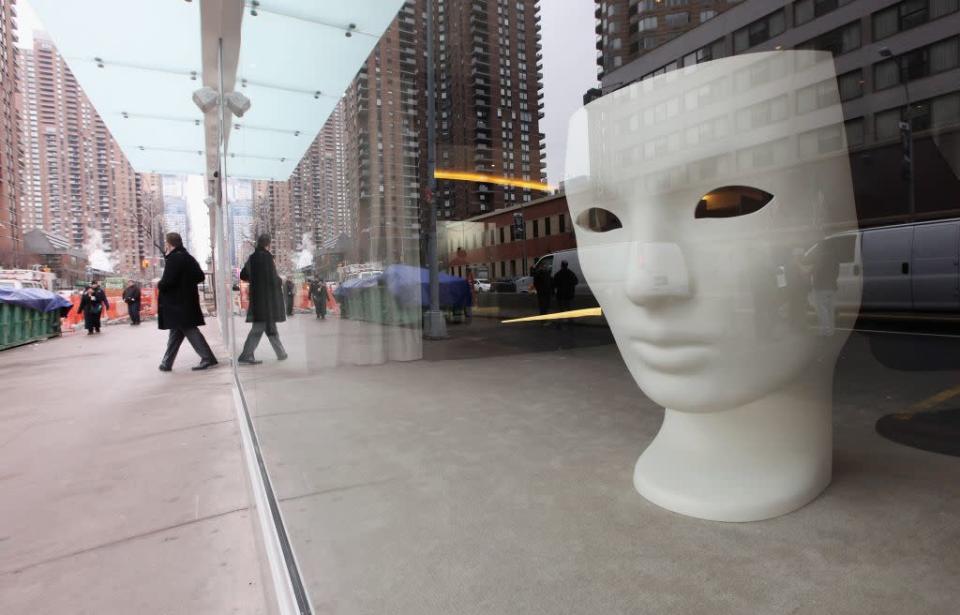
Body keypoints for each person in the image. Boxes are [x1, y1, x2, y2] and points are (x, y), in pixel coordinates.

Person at [157, 232, 218, 371]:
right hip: (187, 301)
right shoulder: (188, 258)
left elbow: (167, 281)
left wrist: (160, 285)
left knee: (188, 329)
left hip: (177, 304)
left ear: (169, 243)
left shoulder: (173, 259)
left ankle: (207, 358)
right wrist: (186, 284)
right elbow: (200, 276)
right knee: (176, 332)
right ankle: (166, 363)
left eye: (166, 243)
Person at [238, 234, 288, 365]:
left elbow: (243, 275)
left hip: (258, 298)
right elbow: (273, 279)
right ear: (268, 244)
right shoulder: (267, 257)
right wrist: (280, 280)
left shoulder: (252, 258)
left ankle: (281, 353)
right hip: (267, 300)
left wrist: (255, 279)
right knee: (259, 327)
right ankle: (246, 355)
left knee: (270, 327)